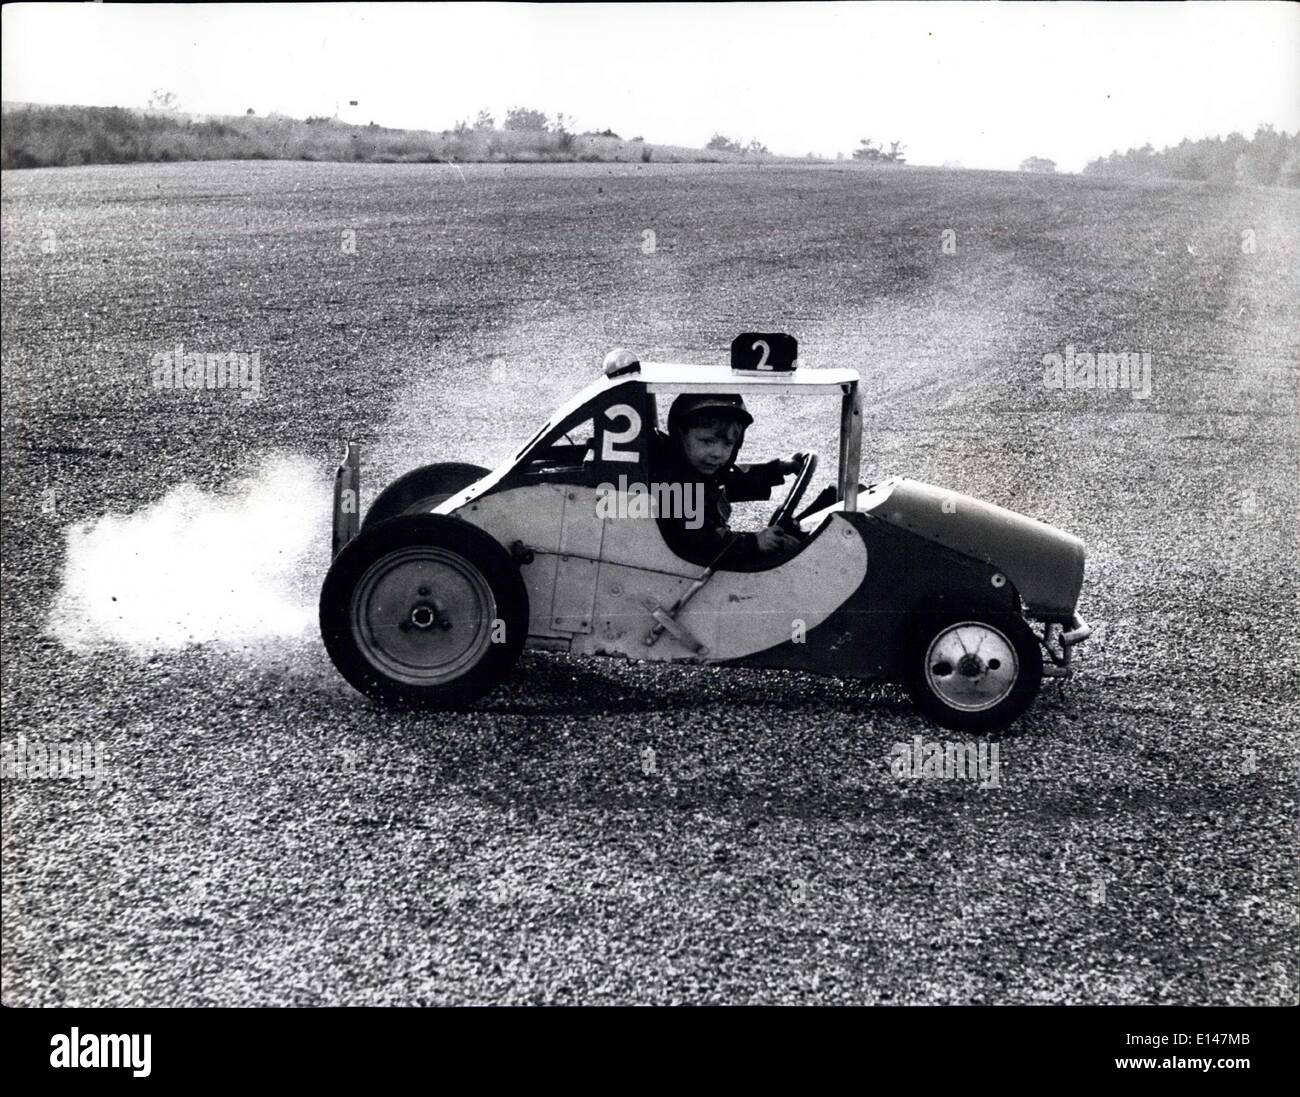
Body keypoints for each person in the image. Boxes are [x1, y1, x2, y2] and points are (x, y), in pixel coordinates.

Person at [649, 392, 804, 569]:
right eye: (707, 441)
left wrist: (776, 470)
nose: (717, 453)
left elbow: (734, 480)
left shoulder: (699, 472)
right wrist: (754, 543)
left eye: (728, 444)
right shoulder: (679, 486)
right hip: (692, 570)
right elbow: (703, 541)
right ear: (681, 435)